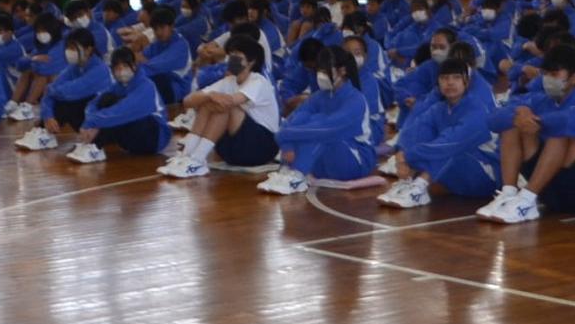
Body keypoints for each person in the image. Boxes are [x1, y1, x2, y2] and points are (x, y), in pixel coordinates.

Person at [478, 45, 575, 221]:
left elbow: (567, 121)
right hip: (547, 189)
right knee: (513, 122)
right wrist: (520, 113)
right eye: (545, 73)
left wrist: (537, 121)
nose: (547, 79)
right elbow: (493, 121)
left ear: (574, 77)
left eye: (554, 74)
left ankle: (527, 198)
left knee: (561, 135)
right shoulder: (539, 99)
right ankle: (509, 193)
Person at [378, 56, 500, 209]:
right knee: (424, 138)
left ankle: (419, 187)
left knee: (449, 146)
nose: (450, 82)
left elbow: (451, 142)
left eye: (456, 78)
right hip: (460, 179)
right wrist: (402, 154)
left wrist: (408, 156)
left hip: (487, 177)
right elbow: (414, 132)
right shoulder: (438, 109)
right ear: (438, 83)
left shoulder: (478, 109)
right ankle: (408, 183)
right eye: (444, 78)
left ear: (466, 82)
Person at [261, 46, 379, 195]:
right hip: (326, 161)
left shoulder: (355, 100)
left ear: (342, 70)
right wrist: (287, 146)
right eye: (319, 70)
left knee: (320, 128)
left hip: (355, 161)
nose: (320, 75)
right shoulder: (319, 96)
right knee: (305, 119)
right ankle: (288, 171)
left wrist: (283, 135)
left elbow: (326, 129)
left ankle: (298, 174)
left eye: (324, 71)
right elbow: (291, 121)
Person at [162, 36, 279, 179]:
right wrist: (209, 95)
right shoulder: (229, 81)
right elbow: (187, 101)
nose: (232, 60)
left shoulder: (258, 81)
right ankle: (188, 155)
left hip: (261, 148)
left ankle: (198, 159)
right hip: (232, 150)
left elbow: (231, 101)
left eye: (238, 56)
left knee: (225, 106)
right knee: (207, 102)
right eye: (231, 56)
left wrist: (213, 97)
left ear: (251, 61)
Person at [68, 49, 170, 164]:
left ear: (134, 66)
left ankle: (95, 147)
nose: (121, 71)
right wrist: (90, 120)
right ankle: (91, 145)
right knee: (106, 100)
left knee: (114, 107)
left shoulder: (146, 86)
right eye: (117, 68)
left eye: (125, 66)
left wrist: (92, 122)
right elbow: (93, 104)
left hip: (153, 139)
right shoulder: (117, 86)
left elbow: (124, 110)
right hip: (130, 141)